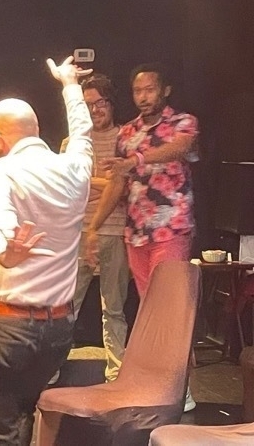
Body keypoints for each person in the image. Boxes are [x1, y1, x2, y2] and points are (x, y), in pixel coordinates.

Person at [0, 56, 93, 445]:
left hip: (10, 327)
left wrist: (7, 254)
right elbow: (83, 133)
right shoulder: (76, 169)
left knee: (1, 432)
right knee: (32, 420)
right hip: (58, 328)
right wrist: (69, 84)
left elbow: (1, 231)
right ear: (36, 131)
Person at [84, 62, 199, 411]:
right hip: (137, 234)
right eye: (138, 90)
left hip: (172, 229)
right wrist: (93, 228)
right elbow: (118, 183)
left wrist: (134, 160)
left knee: (173, 312)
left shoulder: (183, 123)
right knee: (150, 313)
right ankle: (158, 386)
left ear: (164, 91)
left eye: (149, 89)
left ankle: (184, 388)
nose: (143, 96)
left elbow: (176, 150)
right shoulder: (128, 132)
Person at [60, 74, 129, 382]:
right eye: (87, 104)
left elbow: (125, 187)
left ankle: (117, 373)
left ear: (111, 103)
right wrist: (106, 183)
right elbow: (66, 186)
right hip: (77, 232)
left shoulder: (126, 137)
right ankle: (52, 365)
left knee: (113, 308)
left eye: (100, 102)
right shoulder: (71, 143)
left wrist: (96, 183)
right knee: (65, 305)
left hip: (114, 231)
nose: (94, 110)